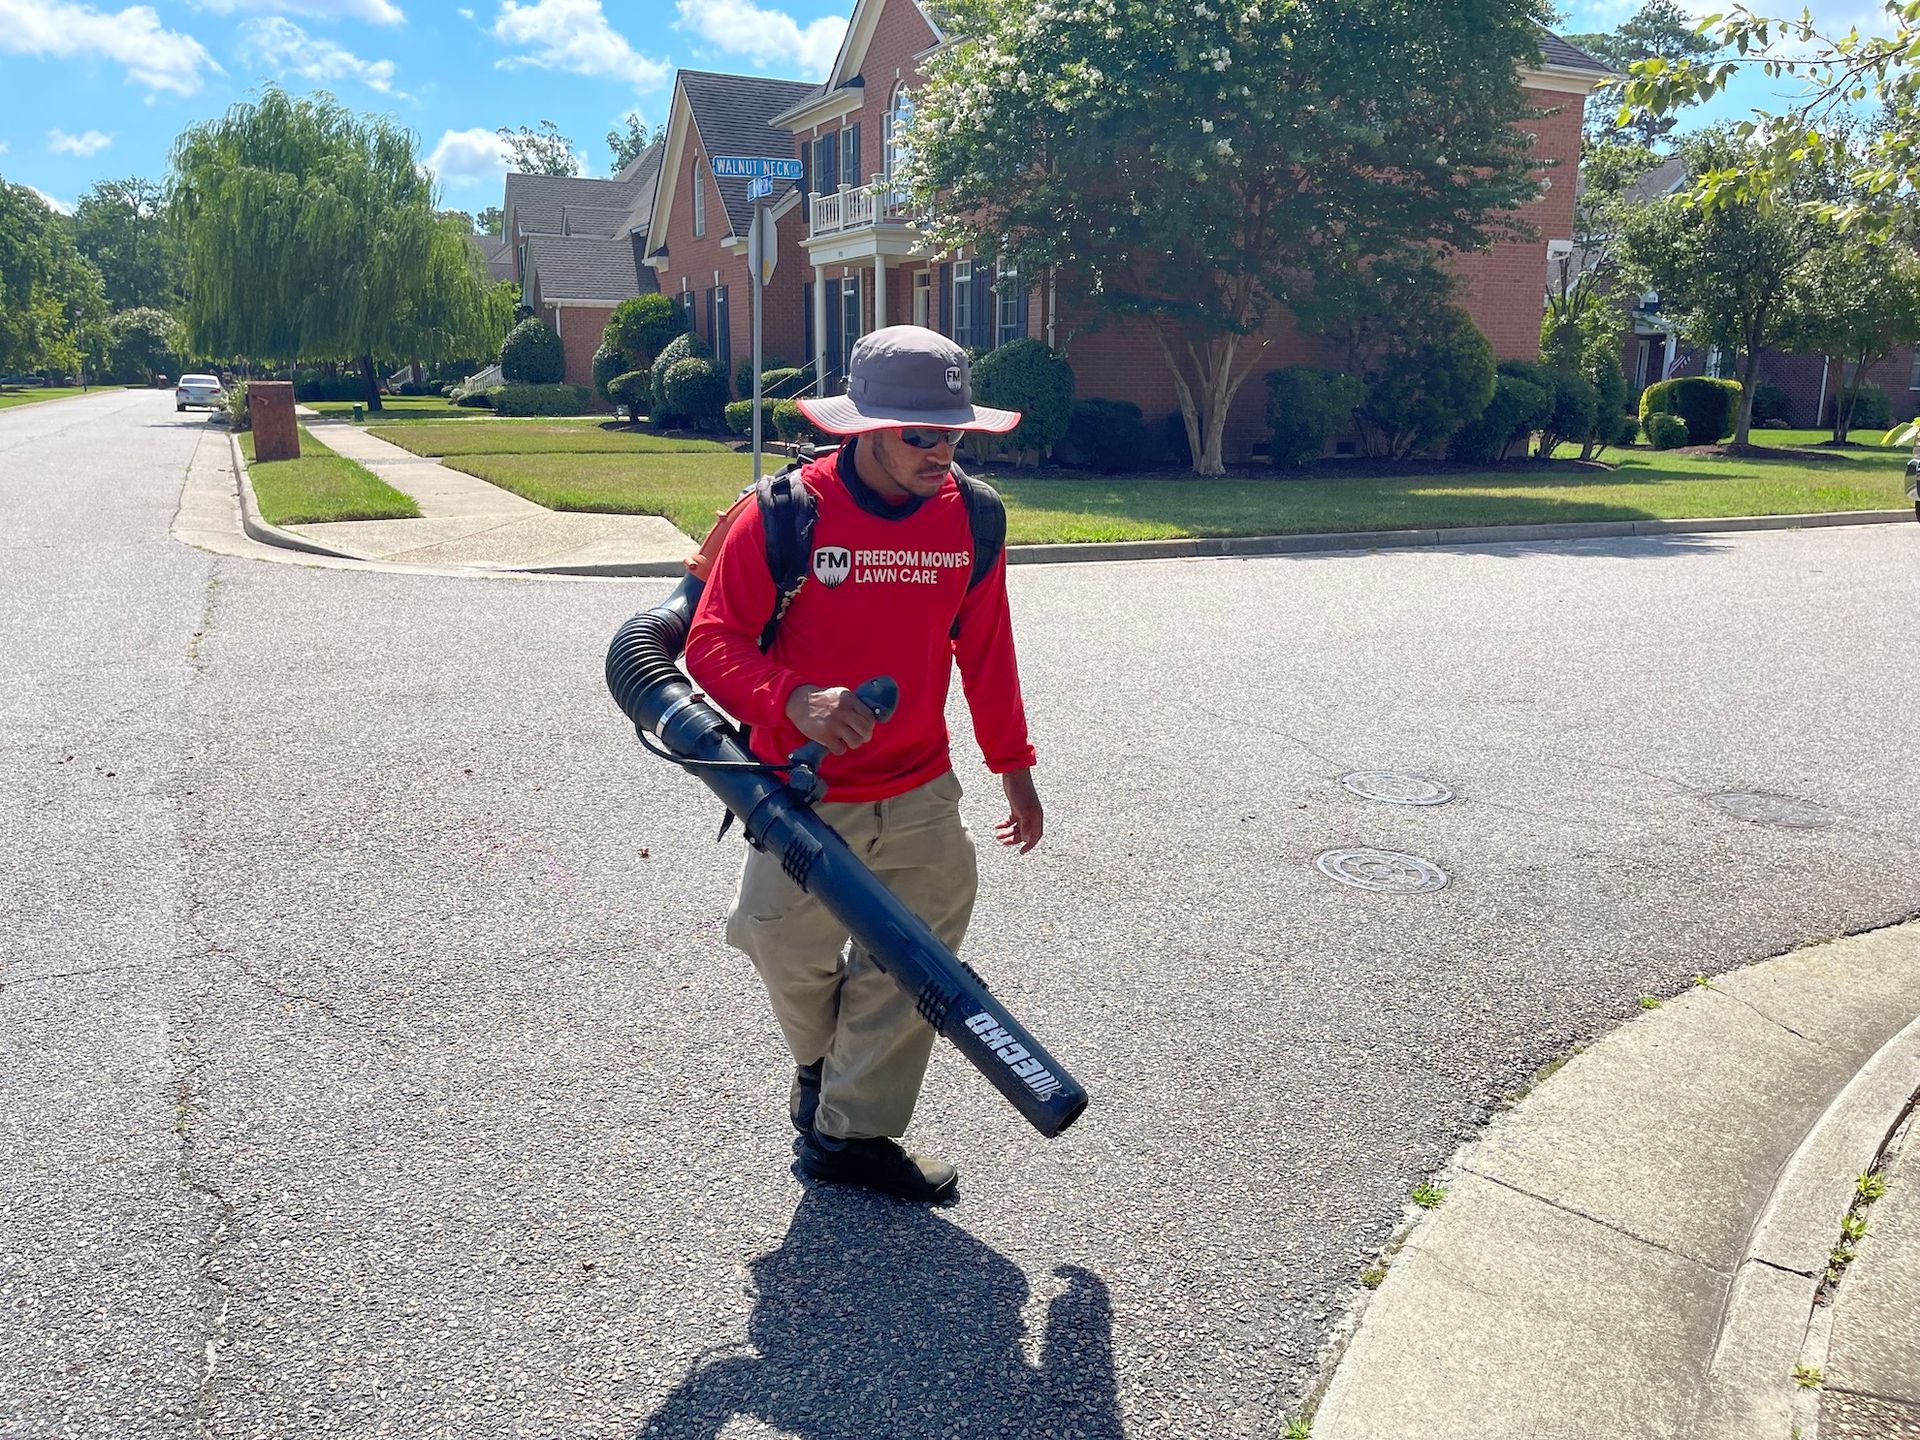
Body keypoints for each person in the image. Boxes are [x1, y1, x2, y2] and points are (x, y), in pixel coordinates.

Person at [683, 324, 1044, 1203]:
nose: (941, 452)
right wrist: (792, 699)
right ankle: (821, 1068)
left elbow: (986, 651)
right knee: (774, 939)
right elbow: (708, 644)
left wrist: (1015, 768)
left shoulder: (975, 516)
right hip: (801, 796)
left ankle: (853, 1134)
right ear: (864, 429)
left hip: (920, 788)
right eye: (921, 435)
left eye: (954, 433)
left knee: (910, 968)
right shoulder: (785, 514)